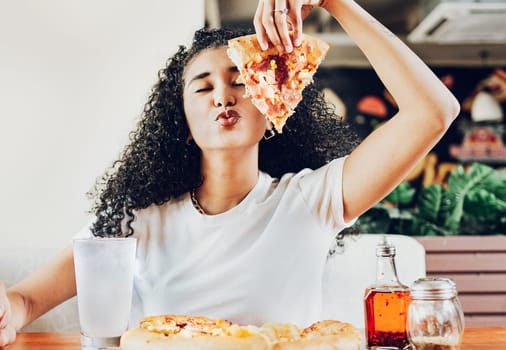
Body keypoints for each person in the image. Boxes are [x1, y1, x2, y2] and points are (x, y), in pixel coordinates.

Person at [0, 0, 459, 345]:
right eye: (203, 87)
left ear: (272, 105)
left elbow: (433, 112)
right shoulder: (138, 218)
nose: (223, 96)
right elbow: (24, 301)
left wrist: (335, 2)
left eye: (240, 81)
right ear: (180, 124)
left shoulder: (312, 199)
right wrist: (8, 312)